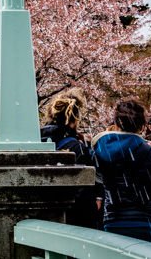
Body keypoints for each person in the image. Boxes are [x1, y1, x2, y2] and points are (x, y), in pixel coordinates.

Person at [93, 99, 151, 244]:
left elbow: (98, 180)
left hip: (114, 222)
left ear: (117, 124)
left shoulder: (100, 152)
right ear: (142, 126)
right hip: (148, 222)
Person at [39, 88, 101, 229]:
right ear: (74, 120)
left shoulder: (37, 142)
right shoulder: (76, 148)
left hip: (44, 217)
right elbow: (84, 190)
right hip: (73, 219)